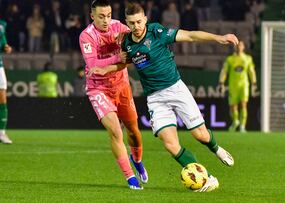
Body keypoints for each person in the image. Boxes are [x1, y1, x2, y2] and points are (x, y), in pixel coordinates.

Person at [89, 3, 236, 192]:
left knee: (200, 135)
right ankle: (205, 178)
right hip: (155, 98)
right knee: (170, 144)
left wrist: (219, 38)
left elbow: (190, 35)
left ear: (145, 19)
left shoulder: (157, 32)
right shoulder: (126, 42)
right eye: (132, 23)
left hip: (176, 89)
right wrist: (104, 69)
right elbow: (123, 63)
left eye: (139, 21)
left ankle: (216, 149)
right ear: (127, 23)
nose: (136, 26)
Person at [79, 0, 147, 190]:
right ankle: (130, 178)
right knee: (116, 131)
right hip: (98, 89)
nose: (106, 20)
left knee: (133, 130)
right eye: (101, 16)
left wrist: (127, 37)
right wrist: (118, 57)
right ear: (92, 16)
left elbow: (135, 42)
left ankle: (138, 160)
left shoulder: (119, 27)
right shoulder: (86, 36)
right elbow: (92, 65)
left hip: (122, 86)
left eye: (108, 15)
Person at [219, 41, 257, 132]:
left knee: (244, 104)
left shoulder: (248, 58)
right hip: (233, 85)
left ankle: (242, 126)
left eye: (240, 45)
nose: (239, 47)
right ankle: (235, 121)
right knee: (233, 106)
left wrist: (254, 83)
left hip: (244, 85)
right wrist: (221, 82)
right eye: (237, 45)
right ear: (235, 47)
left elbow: (251, 71)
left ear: (243, 47)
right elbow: (224, 71)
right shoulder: (230, 59)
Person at [0, 19, 12, 144]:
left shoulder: (2, 25)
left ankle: (1, 133)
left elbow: (4, 45)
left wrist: (6, 48)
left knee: (2, 97)